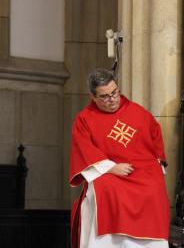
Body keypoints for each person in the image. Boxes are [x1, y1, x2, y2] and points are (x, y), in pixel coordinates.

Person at [69, 68, 170, 248]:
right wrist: (111, 168)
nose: (112, 99)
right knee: (107, 188)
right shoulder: (84, 119)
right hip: (108, 171)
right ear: (93, 97)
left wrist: (158, 164)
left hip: (141, 169)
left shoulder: (138, 112)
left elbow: (155, 138)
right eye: (105, 96)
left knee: (154, 187)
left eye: (115, 92)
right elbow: (84, 149)